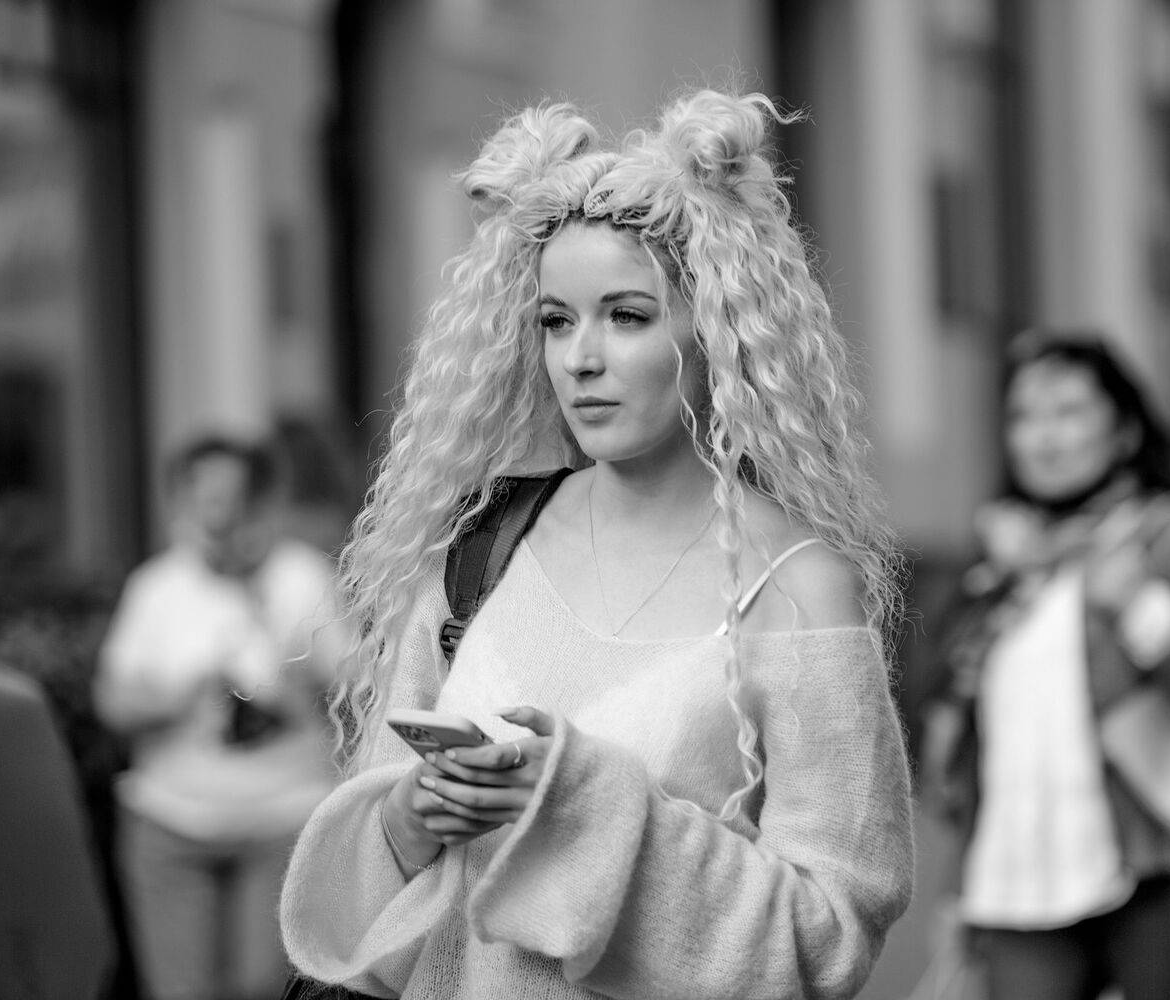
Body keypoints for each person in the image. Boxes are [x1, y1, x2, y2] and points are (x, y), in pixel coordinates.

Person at [278, 91, 915, 999]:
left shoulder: (799, 587)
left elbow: (828, 942)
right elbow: (356, 920)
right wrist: (409, 824)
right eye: (556, 320)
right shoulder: (481, 550)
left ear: (715, 329)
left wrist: (579, 801)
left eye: (626, 315)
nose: (581, 358)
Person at [919, 330, 1170, 1000]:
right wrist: (957, 890)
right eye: (1024, 416)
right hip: (1020, 882)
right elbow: (967, 742)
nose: (1044, 437)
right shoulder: (1003, 567)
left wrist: (1145, 607)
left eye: (1069, 412)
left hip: (1167, 868)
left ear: (1124, 432)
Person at [96, 435, 344, 1000]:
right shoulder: (157, 588)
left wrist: (295, 680)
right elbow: (113, 702)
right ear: (179, 504)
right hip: (172, 824)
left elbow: (352, 692)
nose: (219, 515)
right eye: (203, 499)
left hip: (282, 822)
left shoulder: (301, 577)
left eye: (231, 498)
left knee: (264, 986)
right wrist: (183, 696)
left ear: (258, 501)